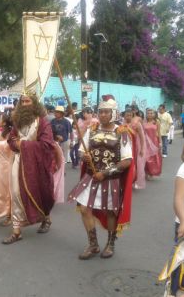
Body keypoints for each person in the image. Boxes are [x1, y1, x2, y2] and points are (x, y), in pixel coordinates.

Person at [68, 95, 134, 259]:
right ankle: (93, 244)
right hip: (91, 177)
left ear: (114, 113)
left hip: (110, 179)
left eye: (106, 112)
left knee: (111, 212)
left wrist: (104, 173)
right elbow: (82, 149)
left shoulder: (122, 132)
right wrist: (84, 156)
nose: (103, 115)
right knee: (84, 209)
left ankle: (110, 243)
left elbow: (127, 161)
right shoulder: (93, 129)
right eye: (101, 112)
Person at [3, 92, 56, 244]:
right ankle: (16, 230)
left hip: (37, 164)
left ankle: (46, 218)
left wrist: (23, 144)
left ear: (34, 103)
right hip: (19, 162)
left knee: (40, 193)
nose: (25, 104)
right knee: (15, 192)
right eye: (23, 101)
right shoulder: (17, 121)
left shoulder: (43, 122)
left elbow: (47, 144)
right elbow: (11, 139)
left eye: (28, 101)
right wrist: (16, 144)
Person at [123, 108, 146, 189]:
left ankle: (131, 179)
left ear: (132, 116)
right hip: (123, 147)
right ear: (124, 116)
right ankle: (125, 180)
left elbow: (142, 137)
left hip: (133, 147)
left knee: (132, 164)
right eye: (126, 115)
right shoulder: (121, 125)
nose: (128, 117)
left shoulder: (137, 124)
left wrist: (142, 149)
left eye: (130, 115)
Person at [144, 108, 162, 179]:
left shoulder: (156, 122)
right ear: (146, 114)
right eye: (148, 113)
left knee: (153, 158)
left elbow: (159, 133)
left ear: (154, 114)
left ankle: (151, 172)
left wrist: (160, 142)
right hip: (146, 142)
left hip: (154, 142)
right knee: (146, 157)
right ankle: (146, 172)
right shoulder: (143, 122)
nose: (150, 115)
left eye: (151, 113)